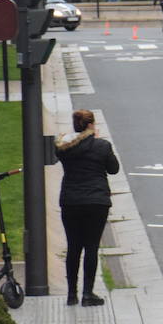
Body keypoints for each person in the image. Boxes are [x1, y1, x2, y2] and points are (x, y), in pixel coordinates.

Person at [55, 110, 120, 307]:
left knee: (74, 247)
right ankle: (87, 294)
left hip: (71, 200)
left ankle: (71, 295)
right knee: (91, 247)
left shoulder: (63, 147)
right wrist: (97, 141)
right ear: (91, 125)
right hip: (96, 202)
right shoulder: (102, 146)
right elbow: (113, 169)